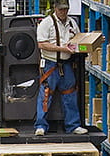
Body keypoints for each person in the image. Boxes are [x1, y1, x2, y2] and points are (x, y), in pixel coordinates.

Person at [34, 0, 88, 137]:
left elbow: (79, 39)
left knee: (70, 94)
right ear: (55, 8)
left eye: (65, 9)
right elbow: (42, 44)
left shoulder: (72, 23)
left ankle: (73, 125)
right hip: (50, 64)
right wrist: (62, 49)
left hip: (66, 64)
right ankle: (40, 126)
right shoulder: (47, 23)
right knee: (46, 95)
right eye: (61, 9)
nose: (63, 12)